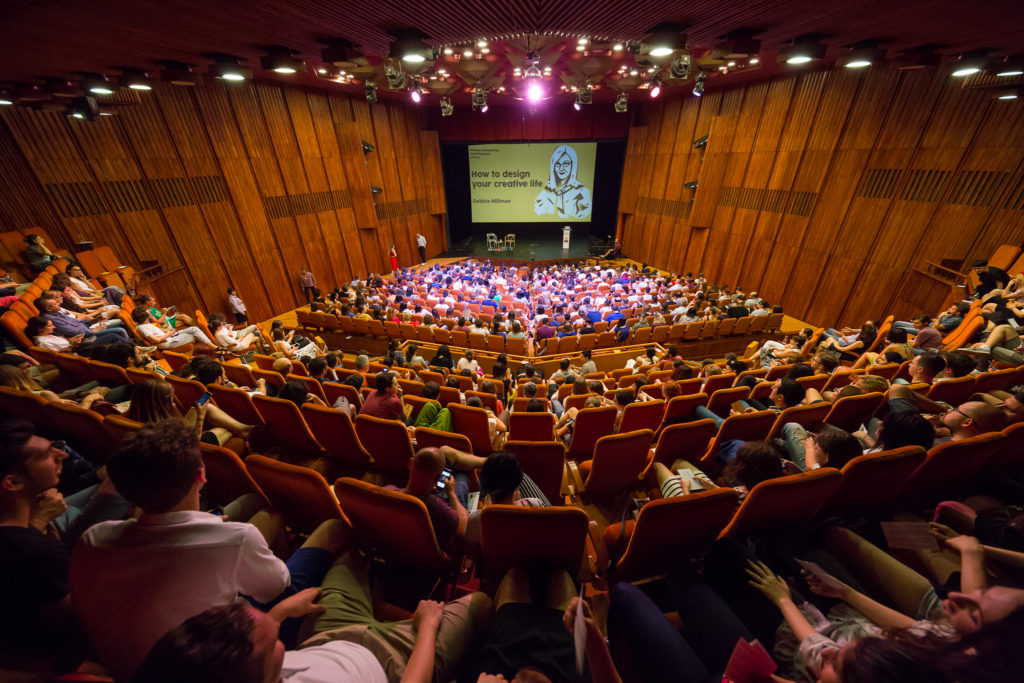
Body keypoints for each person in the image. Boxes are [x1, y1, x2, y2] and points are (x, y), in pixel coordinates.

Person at [69, 421, 346, 680]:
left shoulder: (93, 538)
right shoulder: (236, 540)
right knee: (334, 527)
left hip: (126, 665)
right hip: (216, 663)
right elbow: (276, 588)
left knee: (267, 511)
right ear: (200, 475)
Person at [533, 144, 592, 219]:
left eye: (566, 163)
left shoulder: (582, 192)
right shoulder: (547, 190)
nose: (561, 168)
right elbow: (537, 214)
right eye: (557, 164)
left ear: (572, 164)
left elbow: (584, 216)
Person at [131, 307, 214, 349]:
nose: (151, 314)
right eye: (149, 313)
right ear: (144, 317)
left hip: (170, 336)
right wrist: (168, 333)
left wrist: (169, 331)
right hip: (168, 342)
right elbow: (156, 340)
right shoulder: (142, 328)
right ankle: (213, 347)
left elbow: (158, 330)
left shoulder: (146, 323)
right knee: (194, 335)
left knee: (194, 329)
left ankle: (213, 346)